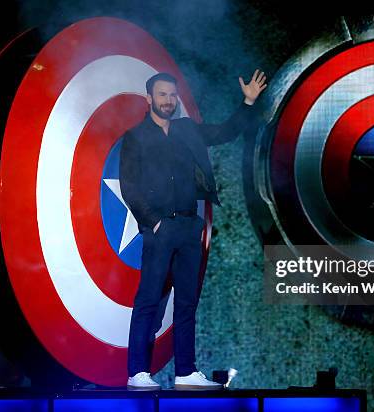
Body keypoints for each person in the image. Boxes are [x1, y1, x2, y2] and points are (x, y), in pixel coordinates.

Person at [119, 70, 267, 390]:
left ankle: (185, 371)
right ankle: (137, 372)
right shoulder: (136, 137)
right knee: (149, 300)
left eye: (172, 95)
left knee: (187, 302)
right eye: (162, 95)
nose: (168, 101)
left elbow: (226, 132)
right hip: (160, 229)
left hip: (189, 227)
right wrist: (153, 221)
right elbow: (129, 186)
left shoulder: (187, 129)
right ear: (149, 99)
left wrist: (248, 102)